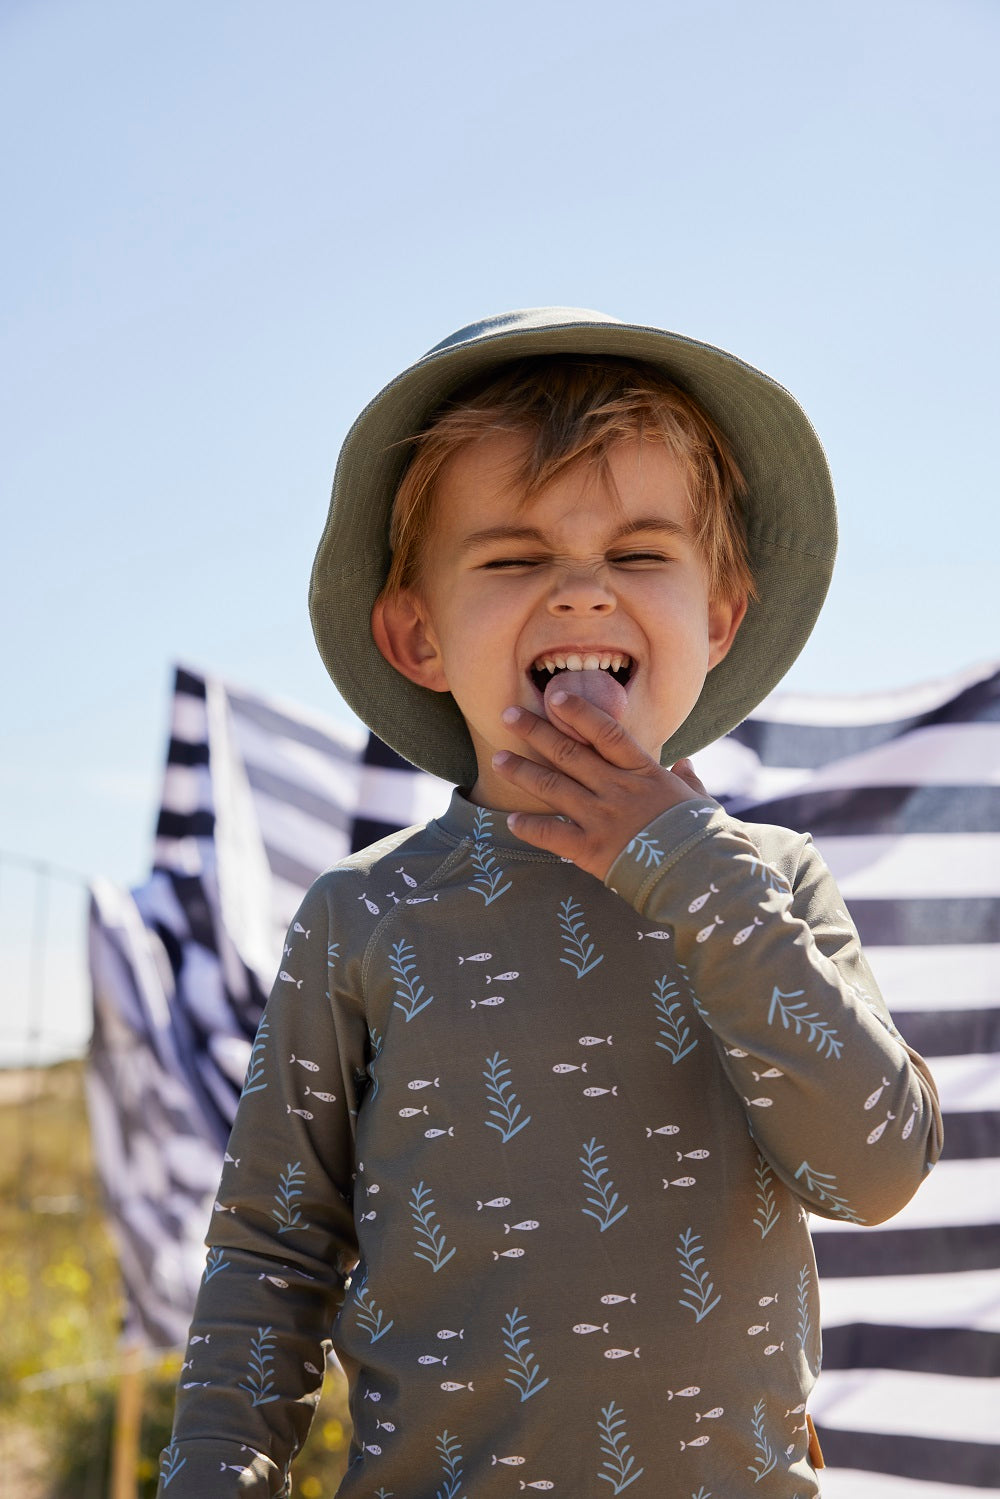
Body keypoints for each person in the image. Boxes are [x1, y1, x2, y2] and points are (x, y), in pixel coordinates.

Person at [158, 308, 942, 1498]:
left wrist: (680, 861)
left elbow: (875, 1167)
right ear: (418, 633)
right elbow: (270, 1257)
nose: (581, 595)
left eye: (637, 556)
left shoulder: (769, 884)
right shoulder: (363, 918)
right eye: (514, 558)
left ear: (717, 618)